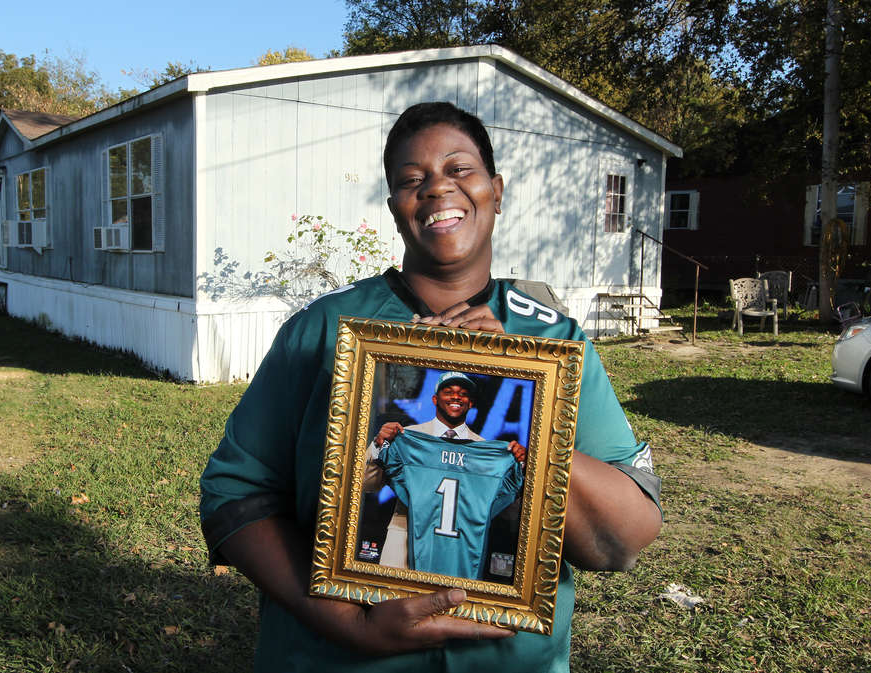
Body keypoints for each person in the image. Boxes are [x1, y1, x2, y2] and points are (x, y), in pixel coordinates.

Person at [199, 101, 662, 672]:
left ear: (496, 189)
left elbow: (622, 540)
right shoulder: (326, 329)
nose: (438, 189)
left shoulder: (554, 343)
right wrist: (352, 625)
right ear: (395, 207)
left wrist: (519, 386)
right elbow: (234, 497)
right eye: (412, 180)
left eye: (459, 169)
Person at [365, 371, 526, 572]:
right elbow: (366, 484)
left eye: (463, 393)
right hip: (404, 551)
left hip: (457, 553)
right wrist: (378, 445)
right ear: (434, 399)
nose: (456, 397)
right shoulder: (407, 437)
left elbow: (506, 511)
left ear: (471, 403)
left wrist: (518, 465)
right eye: (448, 391)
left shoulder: (486, 451)